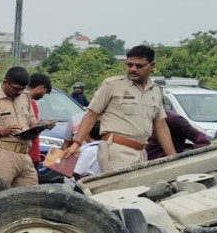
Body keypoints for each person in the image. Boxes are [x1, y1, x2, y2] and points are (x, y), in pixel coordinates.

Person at [64, 45, 175, 173]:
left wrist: (173, 157)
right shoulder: (112, 85)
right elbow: (91, 115)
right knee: (121, 190)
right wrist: (76, 144)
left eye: (139, 66)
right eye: (129, 65)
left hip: (141, 152)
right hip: (116, 150)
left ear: (152, 65)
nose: (133, 69)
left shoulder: (155, 90)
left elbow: (160, 125)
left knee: (138, 190)